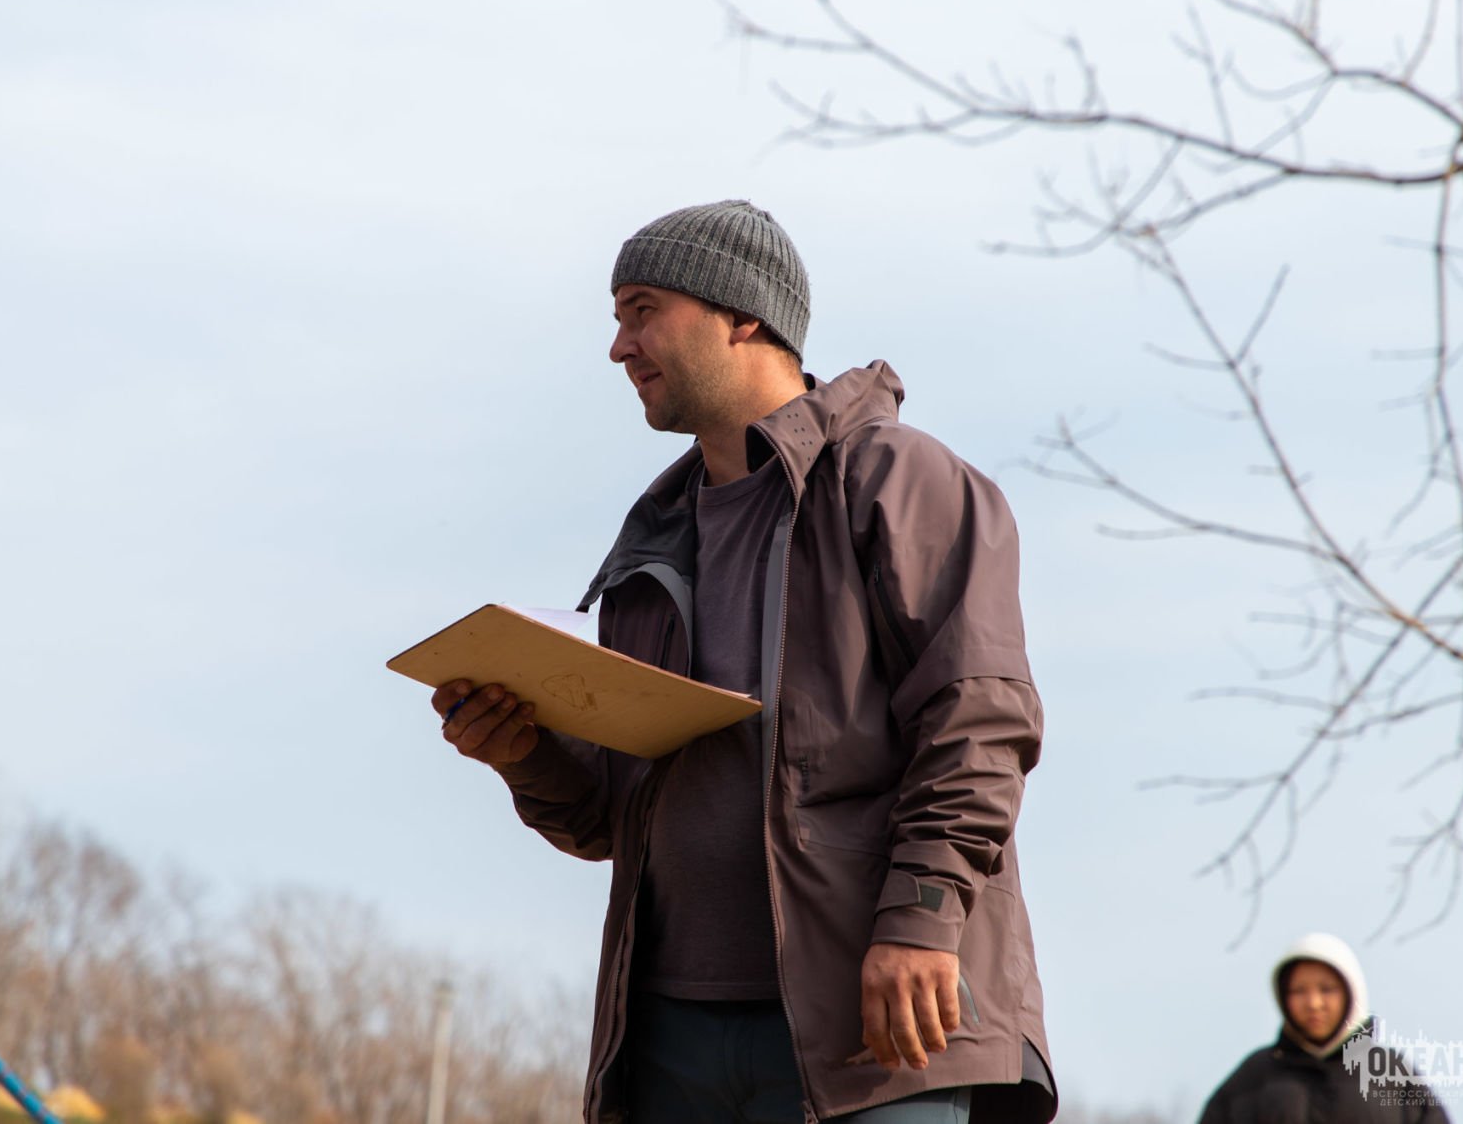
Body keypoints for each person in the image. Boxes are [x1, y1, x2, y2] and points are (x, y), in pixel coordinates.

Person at [432, 200, 1054, 1123]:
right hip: (669, 1045)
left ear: (743, 315)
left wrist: (922, 917)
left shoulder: (899, 479)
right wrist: (522, 751)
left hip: (877, 1034)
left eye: (643, 311)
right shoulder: (652, 541)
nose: (619, 346)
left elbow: (980, 722)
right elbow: (611, 817)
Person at [1197, 933, 1451, 1124]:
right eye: (1299, 991)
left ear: (1351, 993)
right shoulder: (1253, 1077)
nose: (1313, 1003)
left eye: (1327, 989)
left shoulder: (1391, 1074)